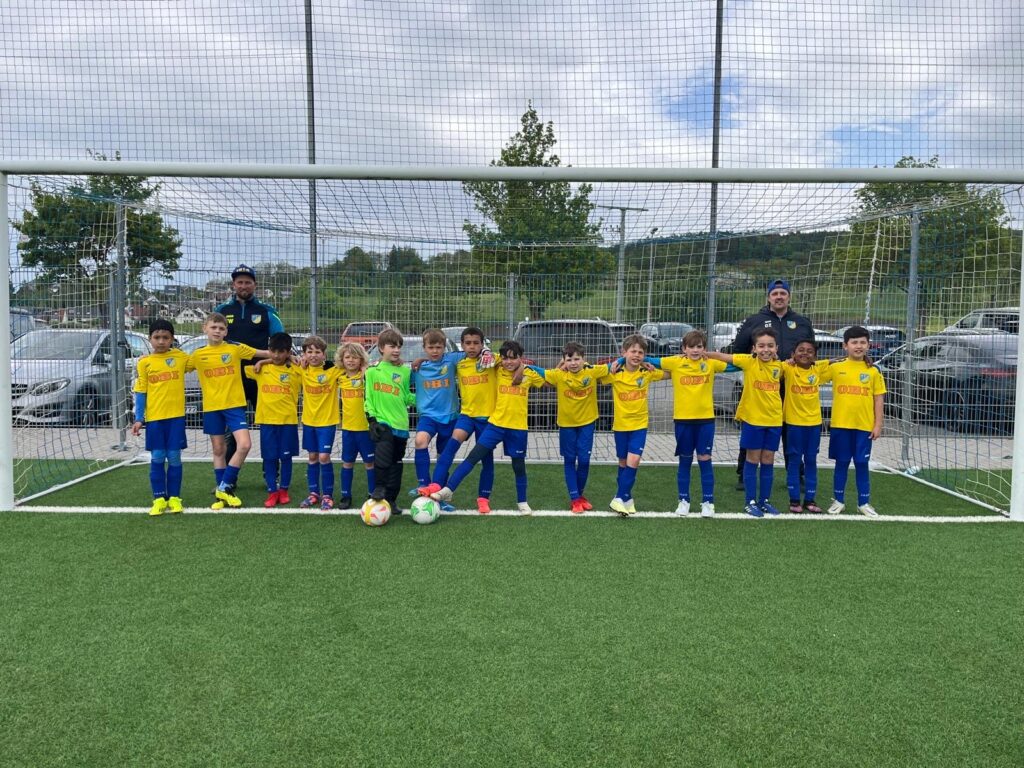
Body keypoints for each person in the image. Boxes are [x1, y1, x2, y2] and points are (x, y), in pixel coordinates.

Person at [430, 340, 543, 514]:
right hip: (495, 425)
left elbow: (547, 378)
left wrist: (523, 368)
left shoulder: (529, 374)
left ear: (521, 357)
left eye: (513, 358)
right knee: (473, 457)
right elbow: (489, 355)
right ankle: (448, 489)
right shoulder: (497, 368)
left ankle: (522, 501)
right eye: (505, 358)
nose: (508, 362)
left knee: (518, 466)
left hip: (518, 428)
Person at [731, 279, 814, 488]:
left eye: (782, 293)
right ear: (768, 297)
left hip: (792, 387)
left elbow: (810, 352)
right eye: (775, 293)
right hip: (761, 387)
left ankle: (796, 474)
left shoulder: (802, 322)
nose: (779, 297)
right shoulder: (754, 320)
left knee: (791, 431)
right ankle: (744, 473)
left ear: (789, 297)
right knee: (753, 427)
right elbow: (739, 349)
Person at [187, 312, 271, 508]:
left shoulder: (235, 349)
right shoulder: (198, 355)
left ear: (226, 331)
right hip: (212, 409)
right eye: (213, 327)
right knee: (219, 449)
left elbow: (265, 353)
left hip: (234, 406)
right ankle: (222, 493)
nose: (217, 331)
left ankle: (224, 486)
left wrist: (290, 356)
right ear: (205, 329)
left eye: (221, 328)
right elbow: (177, 367)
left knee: (245, 444)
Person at [643, 329, 728, 518]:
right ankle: (684, 501)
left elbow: (735, 365)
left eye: (699, 347)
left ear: (704, 348)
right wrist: (622, 360)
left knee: (705, 458)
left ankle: (708, 502)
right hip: (683, 420)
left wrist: (714, 355)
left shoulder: (711, 363)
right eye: (691, 347)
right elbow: (648, 359)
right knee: (685, 460)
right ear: (684, 349)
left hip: (706, 421)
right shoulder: (675, 362)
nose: (695, 350)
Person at [706, 327, 785, 517]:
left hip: (774, 420)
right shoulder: (748, 362)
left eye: (770, 346)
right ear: (754, 349)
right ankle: (750, 502)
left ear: (776, 348)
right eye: (761, 346)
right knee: (753, 458)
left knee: (768, 459)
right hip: (753, 420)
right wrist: (703, 354)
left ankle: (764, 501)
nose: (766, 350)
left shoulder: (781, 366)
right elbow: (723, 357)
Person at [420, 327, 498, 514]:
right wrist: (420, 361)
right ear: (462, 345)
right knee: (450, 447)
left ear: (482, 344)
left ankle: (483, 499)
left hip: (488, 419)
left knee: (487, 459)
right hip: (467, 416)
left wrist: (489, 352)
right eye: (468, 343)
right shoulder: (458, 361)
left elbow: (505, 359)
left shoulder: (491, 361)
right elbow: (438, 360)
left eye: (476, 343)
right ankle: (436, 485)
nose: (472, 347)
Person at [530, 342, 610, 514]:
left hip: (587, 424)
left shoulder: (592, 371)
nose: (573, 363)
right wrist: (522, 366)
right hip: (566, 425)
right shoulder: (558, 375)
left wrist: (633, 359)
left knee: (584, 460)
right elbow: (537, 370)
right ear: (564, 361)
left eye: (577, 359)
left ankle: (579, 496)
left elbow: (614, 366)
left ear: (584, 359)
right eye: (569, 360)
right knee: (569, 460)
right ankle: (575, 499)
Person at [215, 264, 284, 461]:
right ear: (233, 285)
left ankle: (271, 472)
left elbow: (280, 343)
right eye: (240, 282)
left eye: (247, 282)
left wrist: (271, 360)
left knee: (268, 425)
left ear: (255, 285)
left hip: (261, 376)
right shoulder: (222, 310)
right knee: (233, 429)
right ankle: (229, 475)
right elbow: (213, 342)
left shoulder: (266, 311)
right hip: (231, 378)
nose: (243, 286)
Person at [601, 334, 667, 516]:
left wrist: (653, 364)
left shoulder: (647, 372)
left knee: (634, 460)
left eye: (640, 352)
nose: (637, 355)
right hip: (621, 425)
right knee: (623, 462)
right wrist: (615, 363)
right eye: (633, 351)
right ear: (624, 352)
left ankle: (618, 498)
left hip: (639, 424)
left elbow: (669, 373)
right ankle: (627, 498)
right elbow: (597, 376)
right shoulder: (615, 372)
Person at [132, 319, 191, 516]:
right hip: (155, 420)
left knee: (174, 457)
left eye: (165, 337)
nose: (161, 341)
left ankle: (174, 498)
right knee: (157, 456)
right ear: (150, 339)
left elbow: (200, 363)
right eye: (156, 337)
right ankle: (159, 499)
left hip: (176, 419)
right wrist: (139, 418)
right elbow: (141, 392)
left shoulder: (180, 357)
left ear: (172, 339)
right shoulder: (144, 363)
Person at [827, 326, 887, 517]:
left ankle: (864, 503)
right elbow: (811, 374)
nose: (858, 346)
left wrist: (878, 425)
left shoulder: (873, 370)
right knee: (842, 463)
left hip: (864, 427)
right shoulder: (836, 368)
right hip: (841, 425)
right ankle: (838, 501)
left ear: (868, 345)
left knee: (862, 463)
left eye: (863, 342)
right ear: (845, 346)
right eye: (854, 342)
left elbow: (878, 399)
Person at [244, 332, 300, 508]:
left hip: (288, 422)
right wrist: (263, 361)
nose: (276, 355)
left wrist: (291, 359)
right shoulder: (261, 369)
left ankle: (284, 490)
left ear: (288, 352)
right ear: (269, 350)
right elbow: (243, 368)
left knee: (286, 457)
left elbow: (312, 367)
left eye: (281, 352)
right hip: (267, 421)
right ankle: (272, 491)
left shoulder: (296, 370)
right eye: (273, 351)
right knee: (269, 458)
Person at [409, 328, 464, 506]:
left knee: (443, 457)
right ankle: (423, 484)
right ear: (424, 347)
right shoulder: (417, 368)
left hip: (450, 417)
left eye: (438, 347)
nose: (435, 351)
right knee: (420, 441)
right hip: (428, 416)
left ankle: (438, 493)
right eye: (431, 347)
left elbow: (472, 353)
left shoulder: (451, 361)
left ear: (444, 347)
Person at [364, 329, 416, 514]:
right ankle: (379, 487)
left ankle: (391, 500)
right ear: (381, 348)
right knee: (383, 455)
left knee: (396, 463)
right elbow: (368, 397)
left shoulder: (405, 371)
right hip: (382, 422)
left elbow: (407, 396)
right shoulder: (372, 371)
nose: (396, 350)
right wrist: (371, 420)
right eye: (392, 346)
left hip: (401, 424)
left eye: (399, 347)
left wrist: (424, 400)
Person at [781, 339, 832, 513]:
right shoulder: (788, 369)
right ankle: (794, 500)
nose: (805, 353)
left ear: (815, 357)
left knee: (811, 460)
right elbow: (770, 366)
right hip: (794, 424)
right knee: (794, 461)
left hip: (814, 424)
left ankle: (810, 500)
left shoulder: (817, 370)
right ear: (793, 354)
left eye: (810, 351)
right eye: (801, 350)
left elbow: (838, 363)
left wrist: (865, 359)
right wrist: (787, 361)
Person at [296, 335, 345, 510]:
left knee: (324, 457)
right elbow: (285, 358)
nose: (313, 355)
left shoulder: (333, 371)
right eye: (309, 352)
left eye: (317, 352)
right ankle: (313, 493)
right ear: (304, 354)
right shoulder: (302, 370)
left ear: (324, 354)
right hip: (309, 422)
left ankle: (328, 495)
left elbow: (353, 364)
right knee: (312, 457)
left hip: (327, 422)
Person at [336, 341, 374, 510]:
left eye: (355, 357)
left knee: (370, 463)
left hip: (366, 429)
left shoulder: (367, 375)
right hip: (348, 430)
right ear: (342, 359)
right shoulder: (339, 377)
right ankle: (346, 495)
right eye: (347, 357)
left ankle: (373, 494)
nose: (351, 360)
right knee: (347, 462)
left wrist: (366, 371)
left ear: (361, 360)